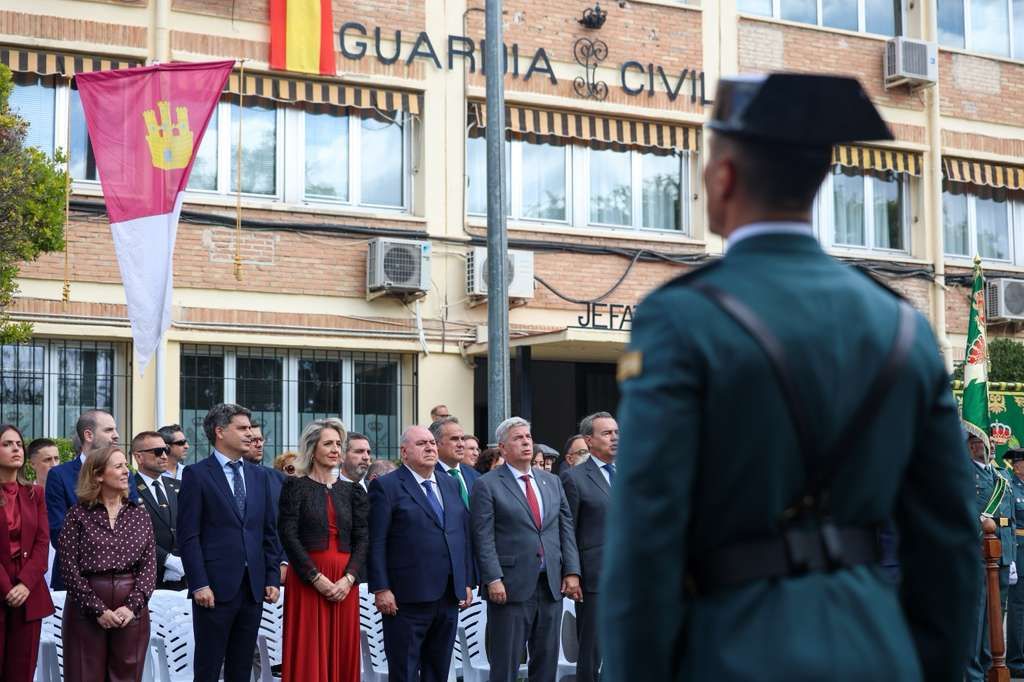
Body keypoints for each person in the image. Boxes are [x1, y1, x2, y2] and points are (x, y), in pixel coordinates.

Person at [600, 73, 979, 682]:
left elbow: (647, 534)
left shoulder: (682, 317)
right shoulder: (902, 325)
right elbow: (949, 540)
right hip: (878, 651)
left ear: (724, 177)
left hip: (733, 652)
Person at [470, 416, 581, 682]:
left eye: (528, 437)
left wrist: (572, 571)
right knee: (506, 664)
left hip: (550, 585)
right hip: (509, 586)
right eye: (518, 438)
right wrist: (493, 578)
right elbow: (483, 537)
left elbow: (565, 528)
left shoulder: (551, 481)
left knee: (546, 662)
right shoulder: (487, 484)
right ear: (502, 448)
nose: (526, 442)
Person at [177, 403, 282, 682]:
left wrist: (272, 577)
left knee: (242, 666)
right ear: (220, 431)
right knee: (209, 667)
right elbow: (188, 536)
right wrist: (199, 583)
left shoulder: (259, 476)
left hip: (253, 588)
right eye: (242, 428)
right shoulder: (197, 475)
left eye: (250, 428)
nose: (250, 434)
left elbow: (268, 532)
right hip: (213, 588)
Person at [368, 425, 475, 682]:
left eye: (432, 443)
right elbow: (376, 541)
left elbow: (461, 534)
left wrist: (466, 580)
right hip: (406, 597)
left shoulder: (450, 484)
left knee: (438, 670)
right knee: (405, 671)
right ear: (404, 452)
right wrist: (381, 588)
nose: (429, 447)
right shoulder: (386, 486)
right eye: (421, 444)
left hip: (448, 594)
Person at [278, 419, 368, 682]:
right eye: (328, 443)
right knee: (308, 652)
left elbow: (363, 538)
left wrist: (349, 579)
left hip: (345, 582)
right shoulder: (295, 487)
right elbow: (288, 536)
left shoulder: (353, 491)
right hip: (307, 580)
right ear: (312, 448)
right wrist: (316, 578)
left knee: (343, 649)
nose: (335, 449)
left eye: (339, 444)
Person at [58, 444, 156, 682]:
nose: (126, 471)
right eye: (118, 466)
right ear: (98, 475)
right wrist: (98, 609)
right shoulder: (77, 515)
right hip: (85, 609)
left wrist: (131, 607)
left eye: (126, 465)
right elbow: (68, 568)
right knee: (83, 675)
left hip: (131, 609)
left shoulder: (139, 514)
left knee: (126, 676)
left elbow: (149, 567)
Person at [561, 412, 617, 682]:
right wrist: (572, 572)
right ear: (589, 440)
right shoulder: (574, 478)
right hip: (595, 575)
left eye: (616, 432)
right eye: (606, 433)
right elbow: (567, 530)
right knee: (592, 650)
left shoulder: (632, 473)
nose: (614, 438)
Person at [47, 410, 129, 590]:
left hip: (121, 578)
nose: (116, 435)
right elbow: (59, 534)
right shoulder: (60, 476)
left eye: (115, 429)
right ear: (88, 435)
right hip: (75, 579)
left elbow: (133, 526)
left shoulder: (125, 474)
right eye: (108, 430)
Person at [0, 425, 54, 682]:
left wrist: (25, 584)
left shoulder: (35, 493)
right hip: (2, 583)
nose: (16, 449)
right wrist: (7, 587)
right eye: (7, 444)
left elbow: (42, 543)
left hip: (29, 591)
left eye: (19, 444)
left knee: (22, 670)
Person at [966, 432, 1015, 682]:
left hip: (1001, 553)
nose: (988, 447)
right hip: (978, 551)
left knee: (995, 615)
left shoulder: (1002, 476)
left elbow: (1010, 518)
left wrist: (1012, 555)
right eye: (981, 442)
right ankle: (972, 671)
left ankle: (989, 666)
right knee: (977, 614)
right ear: (969, 446)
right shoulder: (965, 473)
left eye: (990, 443)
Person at [130, 431, 186, 590]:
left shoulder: (178, 486)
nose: (164, 456)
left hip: (183, 575)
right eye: (157, 451)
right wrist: (167, 560)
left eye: (166, 450)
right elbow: (133, 535)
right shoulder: (128, 489)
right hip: (147, 577)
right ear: (139, 457)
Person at [431, 417, 479, 508]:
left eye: (462, 439)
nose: (461, 444)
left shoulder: (474, 475)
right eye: (454, 439)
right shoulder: (429, 476)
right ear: (437, 444)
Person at [1005, 447, 1024, 678]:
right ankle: (1016, 660)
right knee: (1018, 607)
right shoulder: (1009, 486)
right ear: (1017, 466)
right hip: (1019, 552)